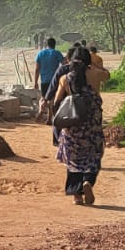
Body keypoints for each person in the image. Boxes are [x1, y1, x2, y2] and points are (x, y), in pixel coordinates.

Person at [51, 51, 104, 205]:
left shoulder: (64, 79)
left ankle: (77, 195)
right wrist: (93, 65)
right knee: (93, 157)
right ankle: (88, 181)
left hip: (73, 127)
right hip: (92, 126)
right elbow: (108, 76)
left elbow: (56, 102)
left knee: (73, 162)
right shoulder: (95, 74)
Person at [34, 37, 62, 121]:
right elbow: (64, 63)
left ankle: (41, 110)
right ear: (54, 45)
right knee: (52, 98)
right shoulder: (57, 53)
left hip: (44, 80)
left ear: (46, 44)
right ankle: (49, 118)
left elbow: (37, 69)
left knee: (43, 97)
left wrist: (35, 81)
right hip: (54, 80)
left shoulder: (40, 53)